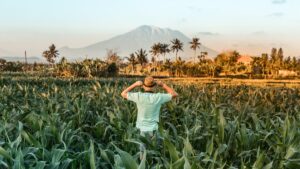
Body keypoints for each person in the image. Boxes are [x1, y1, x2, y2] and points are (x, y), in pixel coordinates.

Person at [121, 76, 178, 159]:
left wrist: (135, 84)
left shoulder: (138, 96)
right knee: (154, 156)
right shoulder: (158, 97)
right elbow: (174, 94)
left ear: (143, 86)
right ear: (155, 87)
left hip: (141, 131)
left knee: (142, 157)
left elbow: (123, 94)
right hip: (154, 130)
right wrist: (162, 85)